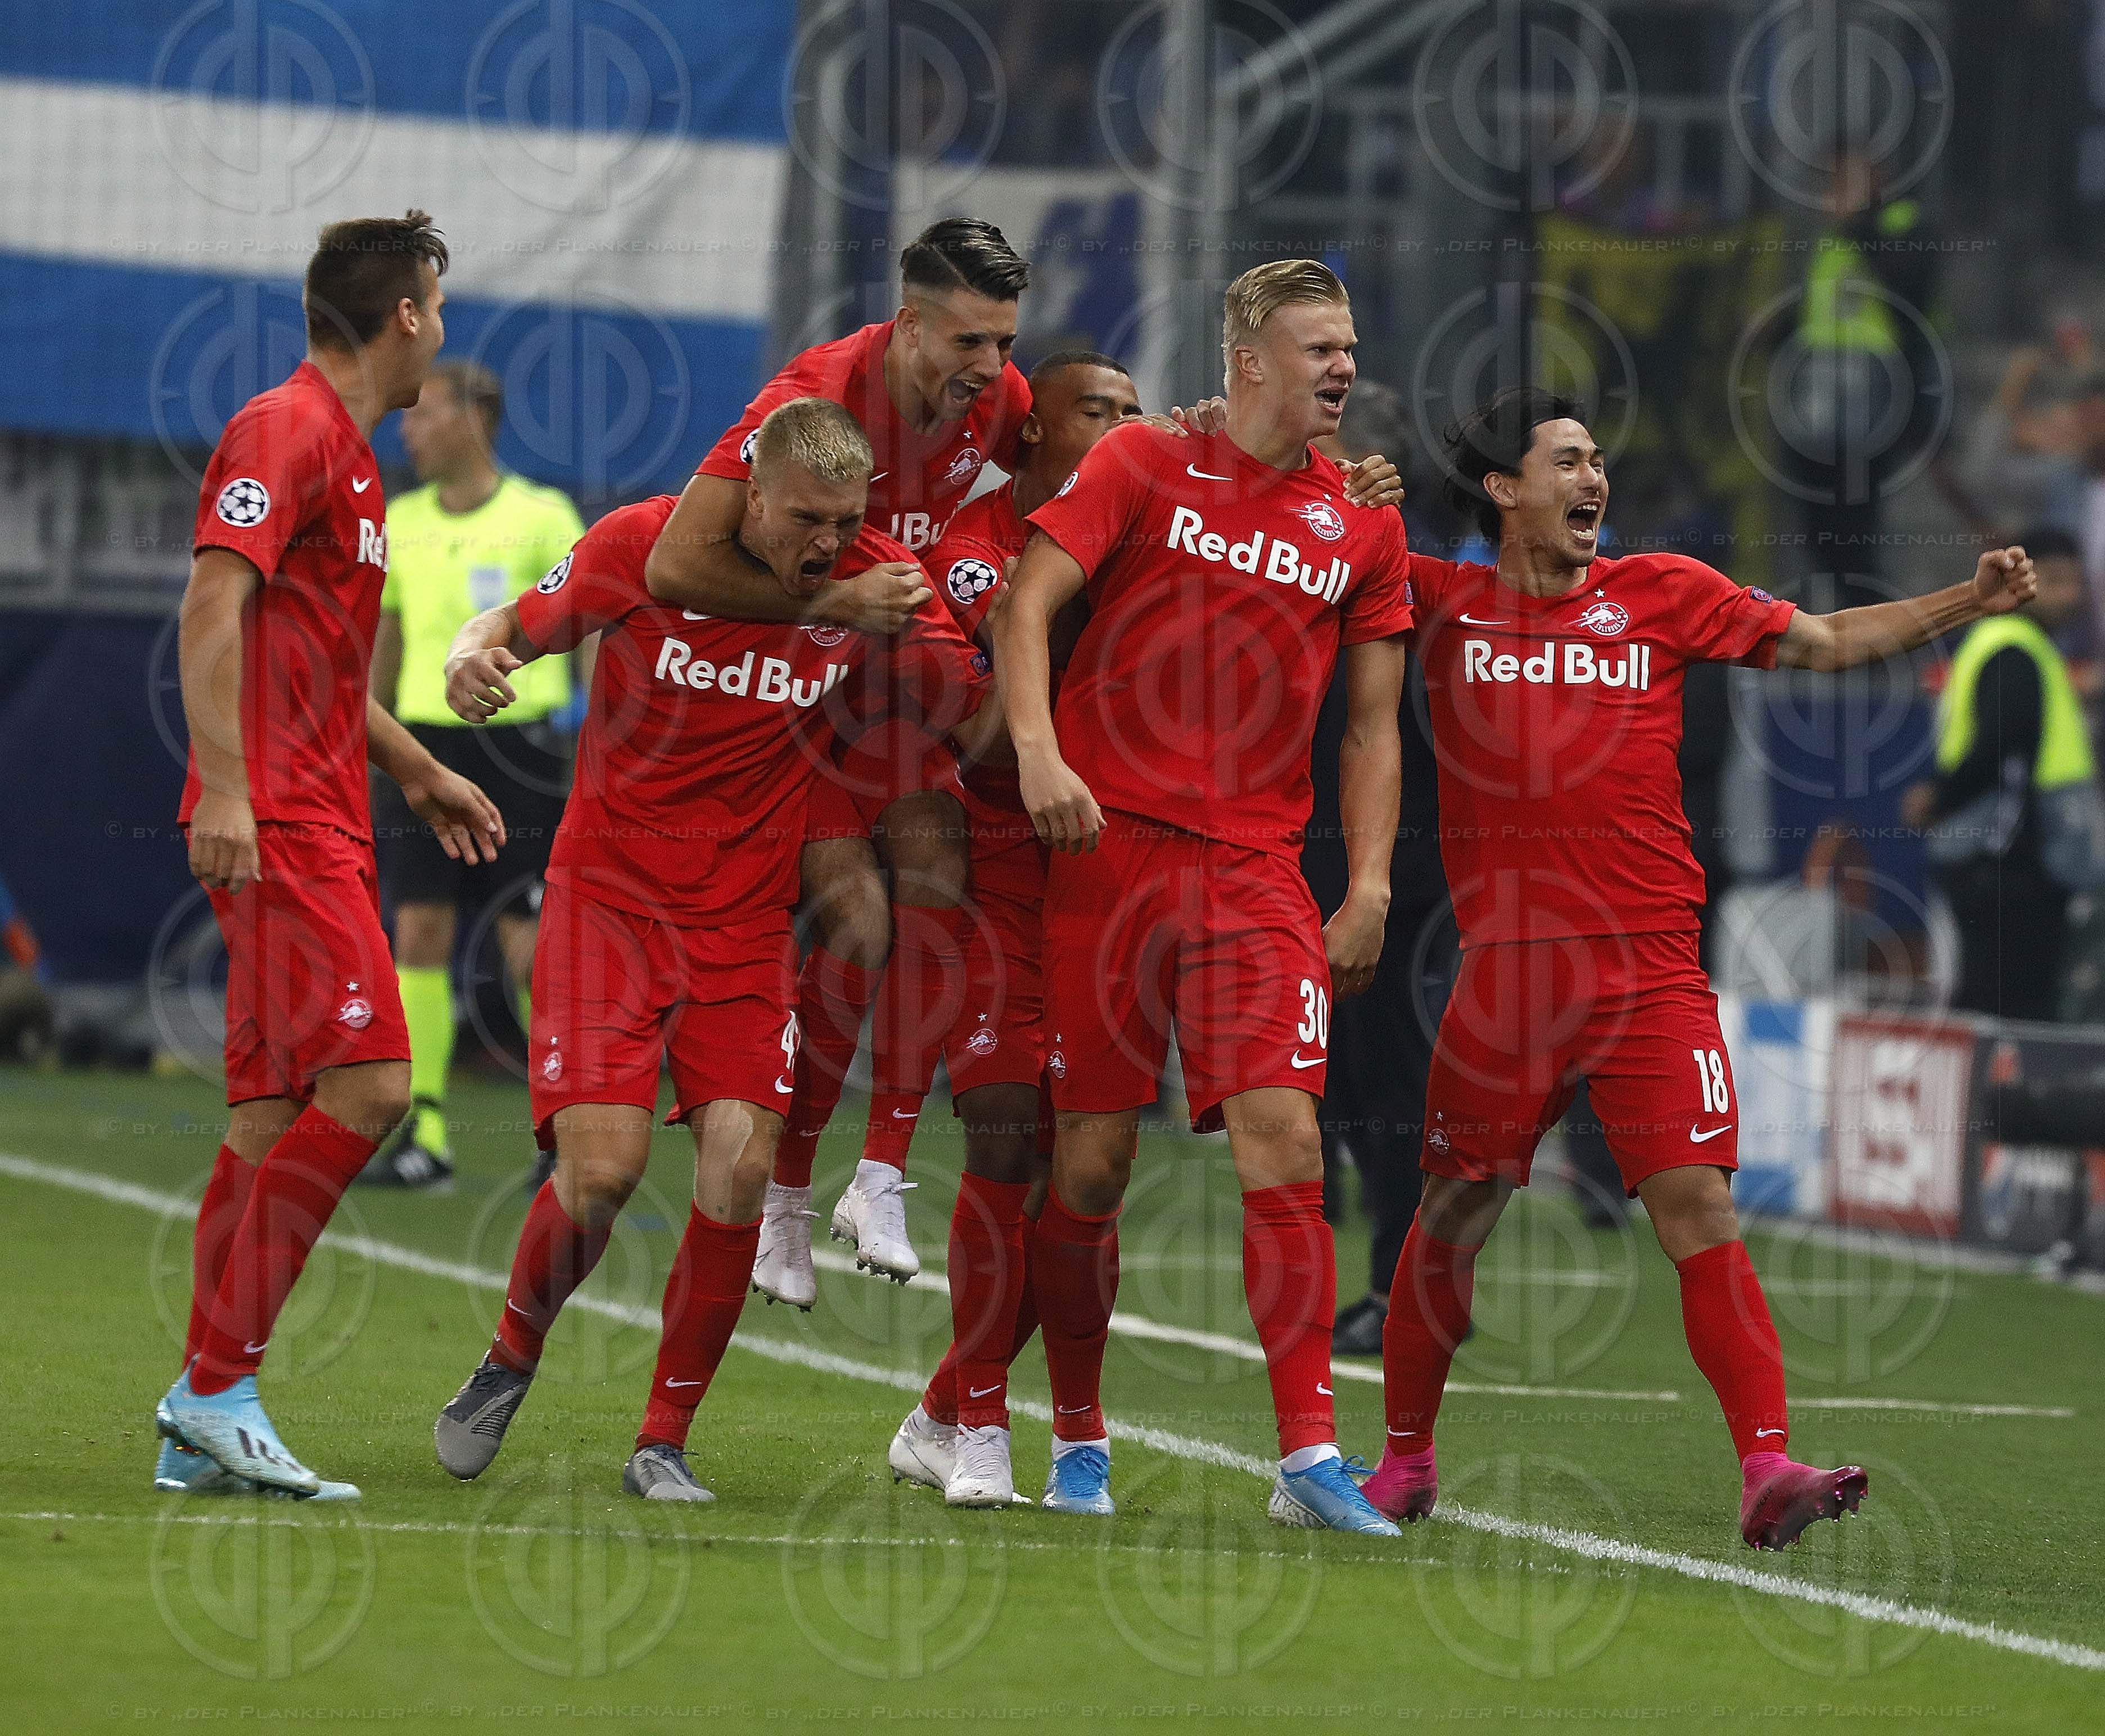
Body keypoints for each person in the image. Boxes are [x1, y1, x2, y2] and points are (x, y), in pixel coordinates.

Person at [1364, 386, 2038, 1550]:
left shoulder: (1663, 591)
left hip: (1651, 975)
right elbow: (1296, 563)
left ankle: (1767, 1464)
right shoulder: (1438, 601)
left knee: (1699, 1203)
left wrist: (1963, 603)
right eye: (1568, 461)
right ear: (1504, 488)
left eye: (1600, 462)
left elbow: (1824, 641)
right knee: (1457, 1205)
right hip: (1511, 978)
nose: (1594, 481)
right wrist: (1341, 488)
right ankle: (1407, 1460)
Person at [430, 397, 993, 1502]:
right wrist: (465, 656)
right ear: (753, 494)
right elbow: (504, 628)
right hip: (609, 907)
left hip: (740, 923)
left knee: (738, 1166)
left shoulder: (876, 581)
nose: (827, 543)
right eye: (805, 518)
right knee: (601, 1172)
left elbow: (975, 702)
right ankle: (511, 1353)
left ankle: (663, 1437)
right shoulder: (645, 545)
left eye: (845, 518)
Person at [999, 260, 1416, 1532]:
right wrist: (1035, 751)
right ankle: (1076, 1437)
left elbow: (1371, 729)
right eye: (1314, 347)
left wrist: (1371, 883)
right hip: (1107, 852)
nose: (1339, 367)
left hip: (1251, 870)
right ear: (1244, 359)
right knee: (1090, 1158)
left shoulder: (1358, 520)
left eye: (1347, 347)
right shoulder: (1140, 465)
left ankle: (1304, 1455)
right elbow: (1026, 604)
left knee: (1283, 1136)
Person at [156, 211, 505, 1499]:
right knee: (368, 1089)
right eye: (441, 307)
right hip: (282, 822)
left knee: (261, 1118)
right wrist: (233, 792)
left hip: (322, 813)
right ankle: (215, 1387)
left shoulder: (351, 463)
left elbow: (310, 652)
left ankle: (194, 1424)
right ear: (406, 315)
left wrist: (413, 767)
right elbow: (212, 602)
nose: (445, 330)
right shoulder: (285, 428)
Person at [644, 218, 1033, 1287]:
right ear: (906, 326)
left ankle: (877, 1174)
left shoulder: (998, 402)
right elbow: (675, 563)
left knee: (939, 875)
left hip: (888, 684)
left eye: (1003, 341)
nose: (990, 369)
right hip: (789, 694)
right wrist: (833, 596)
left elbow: (1077, 468)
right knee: (859, 920)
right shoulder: (806, 401)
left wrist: (1190, 439)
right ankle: (779, 1199)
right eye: (967, 342)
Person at [864, 350, 1145, 1502]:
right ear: (1033, 436)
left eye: (1137, 414)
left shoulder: (1144, 528)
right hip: (988, 872)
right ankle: (985, 1424)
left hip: (1108, 873)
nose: (1123, 429)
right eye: (1098, 411)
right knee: (1004, 1132)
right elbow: (995, 713)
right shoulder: (975, 554)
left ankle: (968, 1407)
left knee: (1088, 1172)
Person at [362, 360, 588, 1189]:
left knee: (528, 947)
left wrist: (592, 721)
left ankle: (562, 1136)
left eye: (423, 416)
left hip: (523, 749)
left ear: (474, 417)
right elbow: (385, 640)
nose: (408, 430)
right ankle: (424, 1139)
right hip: (421, 745)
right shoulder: (401, 519)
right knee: (418, 932)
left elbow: (589, 618)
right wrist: (371, 739)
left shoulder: (543, 516)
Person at [1302, 379, 1455, 1355]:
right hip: (1329, 844)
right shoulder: (1331, 554)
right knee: (1340, 1082)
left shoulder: (1410, 572)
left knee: (1381, 1078)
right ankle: (1353, 1284)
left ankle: (1402, 1290)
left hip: (1382, 857)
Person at [1908, 526, 2095, 1022]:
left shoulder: (2018, 646)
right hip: (2011, 862)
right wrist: (1944, 798)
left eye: (2076, 583)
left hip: (2005, 858)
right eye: (2051, 580)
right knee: (2010, 1007)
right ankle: (2003, 1099)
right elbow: (2002, 744)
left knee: (1991, 997)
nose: (2067, 596)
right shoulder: (2014, 648)